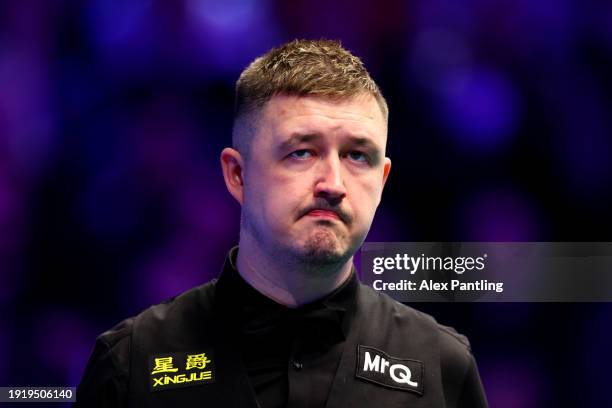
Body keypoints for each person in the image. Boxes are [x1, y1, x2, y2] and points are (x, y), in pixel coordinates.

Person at [75, 39, 488, 408]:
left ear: (382, 181)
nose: (334, 184)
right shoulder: (132, 363)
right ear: (238, 174)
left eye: (358, 156)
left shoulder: (441, 366)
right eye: (302, 152)